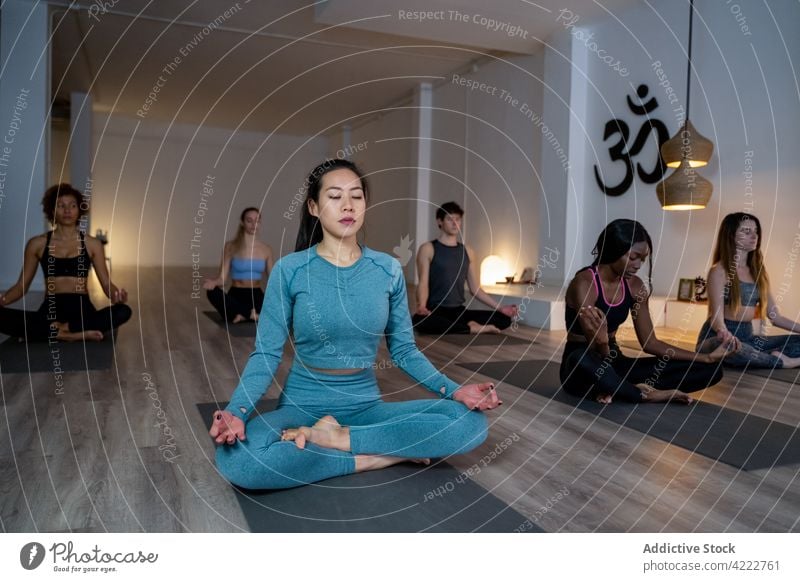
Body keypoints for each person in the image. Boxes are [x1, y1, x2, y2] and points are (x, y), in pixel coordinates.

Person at [209, 159, 496, 490]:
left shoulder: (387, 269)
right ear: (314, 207)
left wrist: (456, 390)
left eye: (356, 196)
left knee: (469, 423)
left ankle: (339, 439)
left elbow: (404, 350)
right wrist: (236, 411)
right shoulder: (290, 270)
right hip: (302, 406)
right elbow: (266, 353)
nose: (347, 205)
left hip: (365, 407)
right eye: (334, 196)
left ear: (365, 204)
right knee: (239, 459)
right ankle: (376, 456)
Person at [561, 219, 737, 404]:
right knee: (582, 360)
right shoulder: (584, 284)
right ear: (614, 250)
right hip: (584, 363)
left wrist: (706, 357)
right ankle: (644, 394)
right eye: (633, 257)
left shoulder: (635, 286)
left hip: (616, 363)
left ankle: (618, 389)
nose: (638, 265)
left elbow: (650, 342)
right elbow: (597, 350)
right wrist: (603, 342)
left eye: (643, 259)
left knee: (710, 370)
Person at [0, 184, 131, 342]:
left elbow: (106, 285)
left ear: (79, 210)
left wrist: (117, 296)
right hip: (51, 308)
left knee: (123, 311)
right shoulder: (37, 244)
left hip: (82, 309)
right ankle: (74, 334)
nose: (67, 210)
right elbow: (22, 286)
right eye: (61, 206)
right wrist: (3, 300)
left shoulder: (92, 244)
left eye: (72, 205)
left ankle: (59, 330)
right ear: (52, 211)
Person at [696, 212, 800, 368]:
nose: (754, 236)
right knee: (732, 346)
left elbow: (774, 316)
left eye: (756, 231)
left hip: (748, 337)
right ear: (731, 235)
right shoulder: (719, 271)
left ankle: (764, 358)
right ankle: (783, 362)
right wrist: (724, 333)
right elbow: (716, 317)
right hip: (717, 337)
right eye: (746, 231)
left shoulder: (759, 271)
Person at [412, 201, 518, 335]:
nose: (455, 223)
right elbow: (423, 283)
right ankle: (472, 327)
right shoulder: (428, 249)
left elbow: (475, 289)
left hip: (459, 311)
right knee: (419, 320)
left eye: (458, 219)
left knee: (504, 319)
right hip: (435, 310)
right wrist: (421, 306)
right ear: (440, 222)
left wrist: (501, 308)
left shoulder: (467, 251)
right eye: (450, 219)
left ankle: (465, 326)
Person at [203, 207, 273, 323]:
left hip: (256, 295)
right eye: (249, 220)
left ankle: (239, 314)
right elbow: (222, 279)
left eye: (257, 220)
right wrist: (213, 282)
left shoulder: (267, 250)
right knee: (212, 292)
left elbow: (273, 280)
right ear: (242, 222)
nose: (253, 224)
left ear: (260, 223)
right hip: (236, 294)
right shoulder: (230, 247)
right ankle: (250, 314)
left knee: (281, 295)